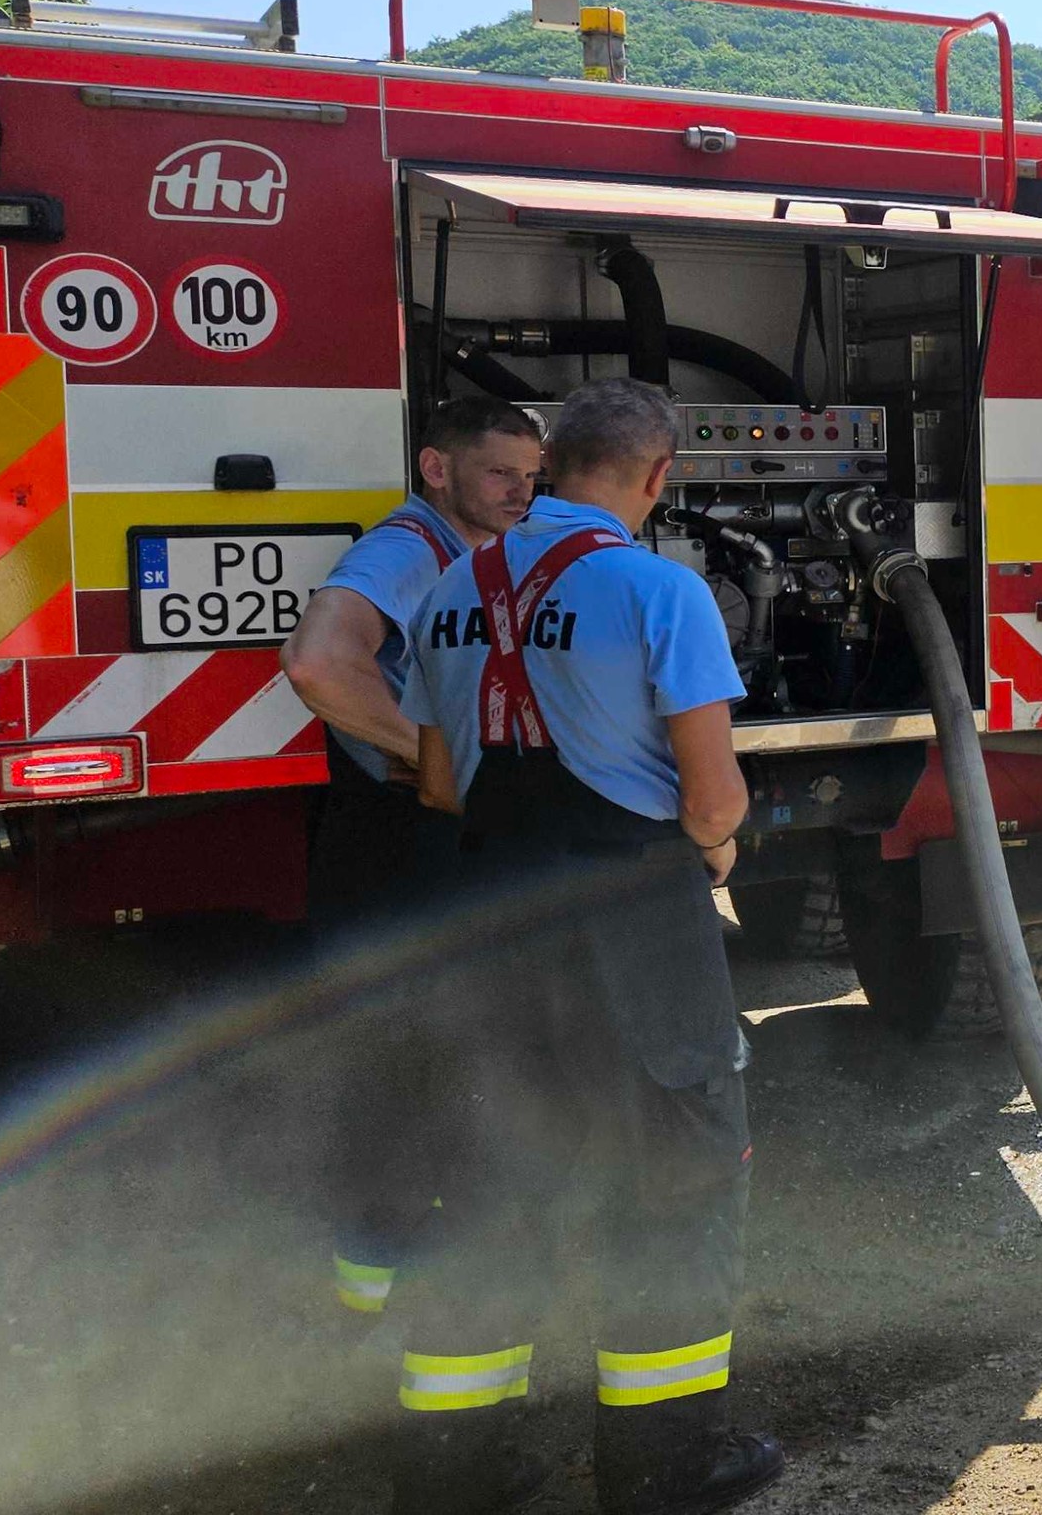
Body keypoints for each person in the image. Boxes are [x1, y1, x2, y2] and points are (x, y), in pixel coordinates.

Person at [389, 380, 783, 1514]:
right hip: (633, 932)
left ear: (554, 464)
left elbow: (434, 781)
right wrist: (711, 856)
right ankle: (661, 1468)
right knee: (675, 1181)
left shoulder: (447, 586)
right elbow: (712, 802)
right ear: (657, 478)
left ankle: (454, 1473)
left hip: (488, 924)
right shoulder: (660, 591)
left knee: (486, 1188)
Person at [278, 396, 544, 1322]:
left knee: (426, 1057)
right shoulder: (406, 547)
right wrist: (439, 762)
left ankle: (379, 1282)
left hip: (420, 832)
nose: (522, 492)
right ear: (437, 469)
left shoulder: (478, 546)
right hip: (395, 838)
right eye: (501, 473)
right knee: (405, 1064)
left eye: (532, 474)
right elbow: (317, 664)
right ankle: (382, 1288)